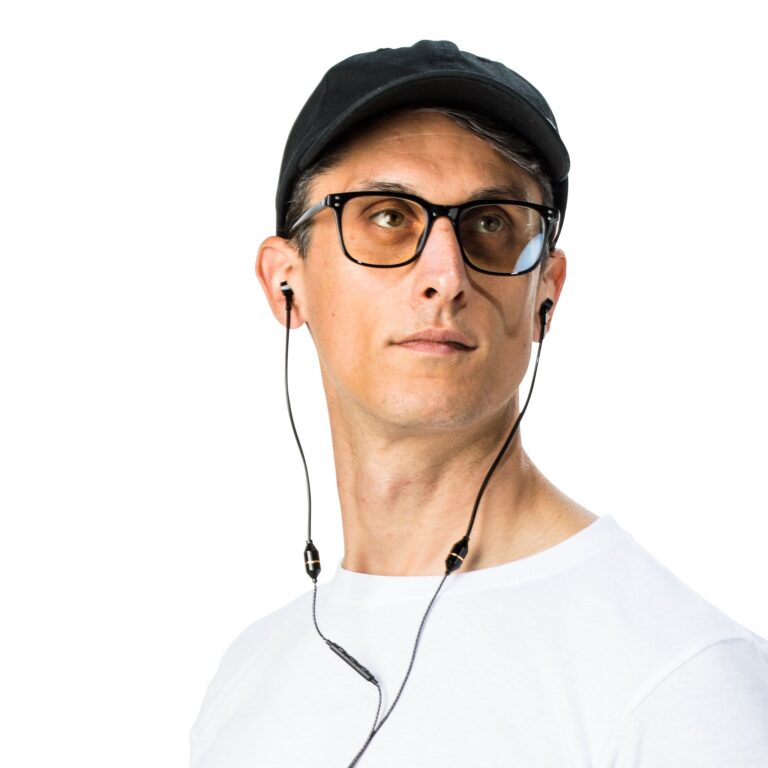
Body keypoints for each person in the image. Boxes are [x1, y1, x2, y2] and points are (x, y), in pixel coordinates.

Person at [190, 40, 768, 767]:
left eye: (491, 224)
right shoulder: (251, 675)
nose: (445, 274)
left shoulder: (686, 683)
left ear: (545, 296)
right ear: (286, 283)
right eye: (388, 216)